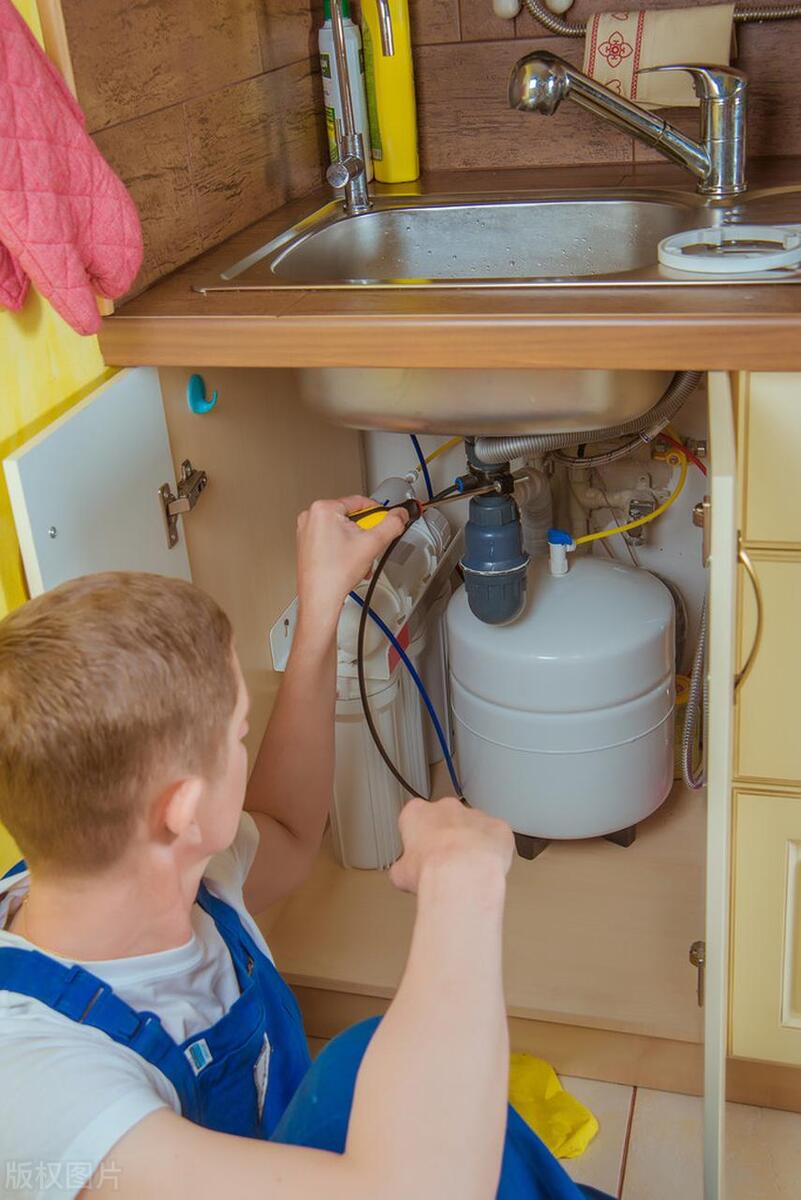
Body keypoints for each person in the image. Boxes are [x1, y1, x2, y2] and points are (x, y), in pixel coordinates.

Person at [0, 496, 610, 1200]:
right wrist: (462, 881)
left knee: (362, 1064)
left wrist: (321, 609)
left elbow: (286, 833)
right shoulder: (37, 1088)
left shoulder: (125, 864)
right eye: (238, 734)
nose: (244, 745)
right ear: (184, 813)